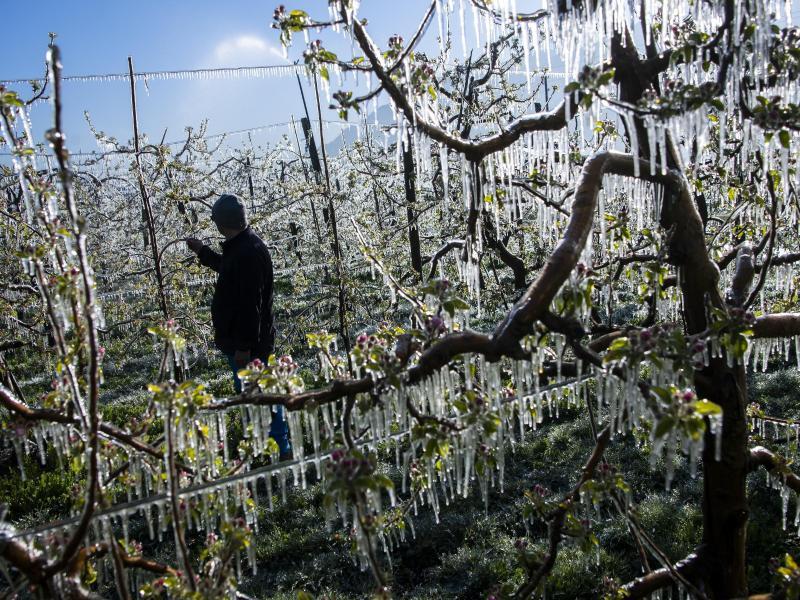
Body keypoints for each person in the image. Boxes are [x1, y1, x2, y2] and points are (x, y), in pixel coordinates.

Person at [186, 193, 291, 459]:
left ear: (222, 223)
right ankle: (266, 447)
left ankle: (281, 451)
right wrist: (203, 252)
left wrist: (244, 347)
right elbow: (228, 269)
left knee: (261, 395)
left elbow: (249, 305)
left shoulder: (247, 252)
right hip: (244, 341)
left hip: (248, 346)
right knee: (255, 394)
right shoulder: (243, 246)